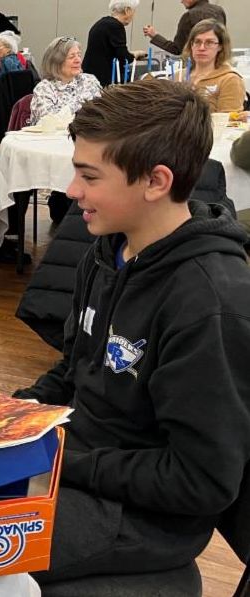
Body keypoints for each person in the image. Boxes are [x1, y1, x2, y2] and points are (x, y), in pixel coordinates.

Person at [14, 77, 250, 589]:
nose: (72, 191)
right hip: (80, 467)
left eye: (89, 176)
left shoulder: (210, 302)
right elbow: (76, 369)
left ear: (156, 181)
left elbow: (200, 481)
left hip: (142, 519)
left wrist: (61, 461)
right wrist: (13, 415)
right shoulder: (106, 253)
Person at [31, 37, 102, 224]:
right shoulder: (44, 88)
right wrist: (78, 110)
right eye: (72, 57)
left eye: (79, 55)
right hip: (55, 148)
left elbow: (99, 113)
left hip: (87, 145)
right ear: (57, 60)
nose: (78, 60)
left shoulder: (90, 81)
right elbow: (49, 120)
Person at [185, 19, 245, 114]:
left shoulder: (230, 80)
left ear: (220, 46)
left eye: (209, 43)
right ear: (191, 45)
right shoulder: (178, 76)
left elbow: (227, 120)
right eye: (197, 42)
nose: (201, 48)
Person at [83, 0, 147, 88]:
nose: (134, 15)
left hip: (90, 77)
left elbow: (111, 52)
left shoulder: (101, 23)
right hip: (102, 81)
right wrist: (135, 55)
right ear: (127, 10)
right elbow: (124, 58)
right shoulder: (116, 27)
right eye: (134, 11)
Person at [142, 0, 225, 56]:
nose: (181, 1)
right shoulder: (219, 11)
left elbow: (177, 49)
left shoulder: (189, 17)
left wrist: (154, 35)